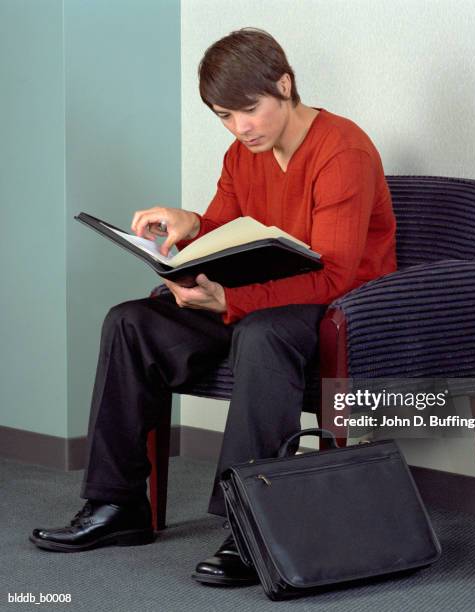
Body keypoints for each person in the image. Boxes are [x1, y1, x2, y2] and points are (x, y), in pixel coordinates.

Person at [29, 27, 397, 586]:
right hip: (256, 299)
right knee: (131, 322)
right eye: (224, 116)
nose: (239, 128)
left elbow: (336, 275)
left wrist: (232, 299)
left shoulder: (342, 149)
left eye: (248, 111)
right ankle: (116, 505)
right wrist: (191, 226)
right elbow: (227, 232)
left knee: (263, 335)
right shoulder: (240, 154)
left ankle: (252, 527)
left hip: (333, 310)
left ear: (285, 84)